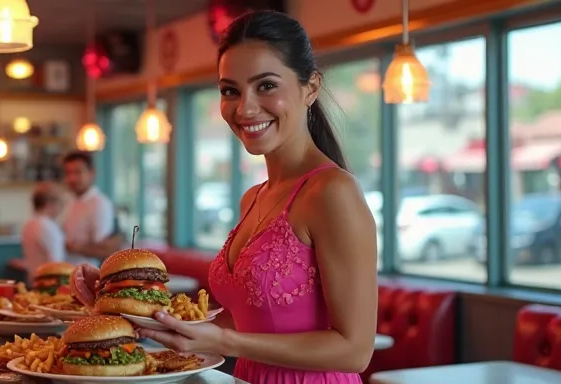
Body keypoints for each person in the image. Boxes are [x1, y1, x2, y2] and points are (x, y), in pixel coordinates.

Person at [73, 11, 378, 384]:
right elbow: (249, 320)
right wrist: (121, 301)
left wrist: (227, 342)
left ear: (310, 88)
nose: (245, 108)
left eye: (266, 85)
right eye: (230, 90)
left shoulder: (333, 192)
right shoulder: (253, 197)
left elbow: (355, 351)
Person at [60, 151, 122, 265]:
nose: (72, 178)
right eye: (68, 173)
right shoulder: (69, 200)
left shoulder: (99, 204)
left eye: (78, 172)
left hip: (89, 274)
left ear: (92, 173)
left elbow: (105, 249)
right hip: (68, 270)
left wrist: (76, 248)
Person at [16, 183, 67, 282]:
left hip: (33, 280)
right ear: (50, 203)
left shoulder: (29, 225)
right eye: (60, 203)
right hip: (49, 284)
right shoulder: (49, 227)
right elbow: (56, 265)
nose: (61, 208)